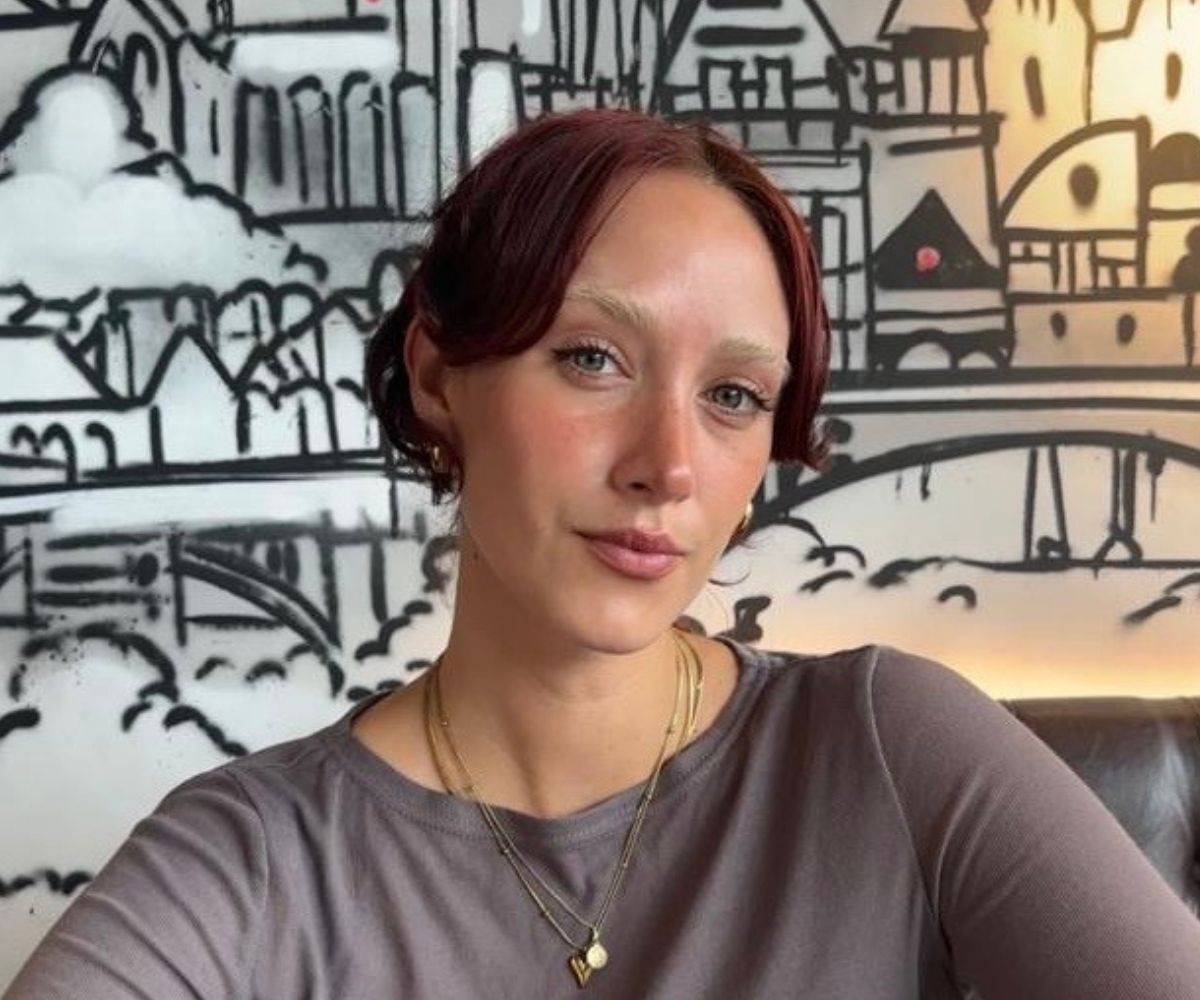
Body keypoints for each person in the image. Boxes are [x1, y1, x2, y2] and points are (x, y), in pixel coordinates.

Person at [6, 108, 1200, 1000]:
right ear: (437, 377)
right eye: (592, 358)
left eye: (733, 395)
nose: (668, 465)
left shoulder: (887, 743)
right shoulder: (252, 857)